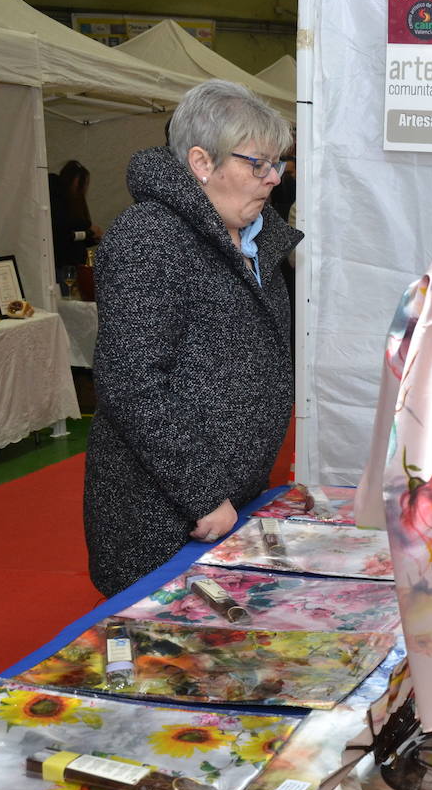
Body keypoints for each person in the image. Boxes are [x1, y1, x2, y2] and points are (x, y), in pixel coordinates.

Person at [83, 80, 302, 597]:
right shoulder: (150, 235)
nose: (273, 179)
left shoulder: (252, 235)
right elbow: (131, 381)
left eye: (279, 164)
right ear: (202, 163)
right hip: (164, 512)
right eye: (259, 164)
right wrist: (202, 494)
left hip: (230, 498)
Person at [48, 160, 102, 269]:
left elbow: (76, 236)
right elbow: (65, 227)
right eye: (83, 183)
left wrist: (93, 237)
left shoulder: (76, 202)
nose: (85, 188)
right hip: (62, 263)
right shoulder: (56, 199)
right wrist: (89, 227)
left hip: (75, 263)